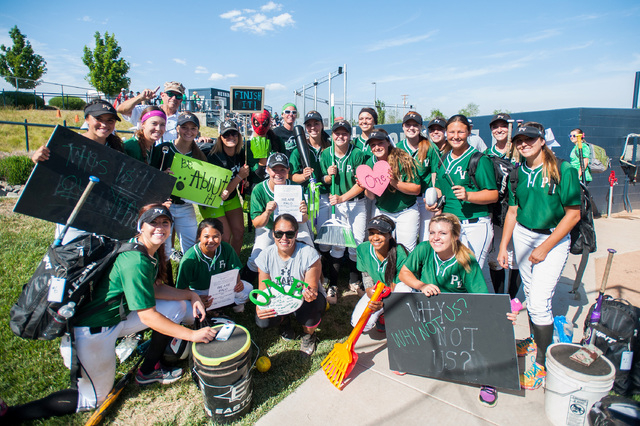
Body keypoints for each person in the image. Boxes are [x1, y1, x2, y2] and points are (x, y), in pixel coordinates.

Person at [0, 205, 216, 423]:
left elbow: (152, 290)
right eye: (154, 223)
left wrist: (190, 296)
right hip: (93, 332)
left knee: (176, 308)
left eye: (165, 223)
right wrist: (192, 336)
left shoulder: (144, 250)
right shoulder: (136, 260)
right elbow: (148, 317)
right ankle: (11, 414)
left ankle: (148, 371)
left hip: (116, 320)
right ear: (140, 226)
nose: (160, 228)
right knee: (93, 399)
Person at [498, 123, 581, 390]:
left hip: (552, 238)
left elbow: (573, 214)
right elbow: (512, 211)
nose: (524, 144)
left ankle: (542, 365)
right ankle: (534, 340)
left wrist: (545, 247)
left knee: (538, 303)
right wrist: (503, 246)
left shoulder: (562, 168)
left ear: (542, 140)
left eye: (530, 139)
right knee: (531, 292)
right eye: (520, 140)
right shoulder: (517, 171)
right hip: (523, 234)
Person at [398, 213, 503, 407]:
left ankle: (489, 378)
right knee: (401, 289)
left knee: (488, 325)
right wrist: (421, 285)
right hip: (431, 306)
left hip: (459, 312)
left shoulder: (466, 259)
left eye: (442, 233)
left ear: (455, 236)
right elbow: (404, 273)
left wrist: (500, 318)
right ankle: (408, 354)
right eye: (432, 232)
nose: (435, 237)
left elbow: (481, 299)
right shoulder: (424, 249)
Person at [31, 99, 125, 244]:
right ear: (87, 119)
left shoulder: (116, 150)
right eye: (98, 119)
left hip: (104, 215)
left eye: (110, 120)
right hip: (72, 215)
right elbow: (48, 179)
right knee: (71, 255)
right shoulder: (69, 145)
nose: (104, 124)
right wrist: (39, 160)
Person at [429, 115, 498, 280]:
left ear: (469, 133)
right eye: (451, 132)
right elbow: (440, 188)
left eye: (460, 132)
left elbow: (493, 195)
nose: (455, 136)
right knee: (453, 274)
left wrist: (469, 195)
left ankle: (478, 305)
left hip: (474, 224)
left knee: (470, 274)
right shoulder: (444, 158)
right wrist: (433, 201)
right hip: (450, 225)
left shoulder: (478, 159)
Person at [255, 214, 325, 356]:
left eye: (289, 233)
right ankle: (284, 321)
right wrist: (260, 305)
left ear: (296, 234)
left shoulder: (309, 254)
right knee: (263, 320)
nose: (284, 238)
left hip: (302, 297)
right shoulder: (265, 256)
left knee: (312, 304)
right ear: (273, 234)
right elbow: (263, 289)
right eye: (279, 233)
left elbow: (311, 286)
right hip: (280, 298)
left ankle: (309, 335)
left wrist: (309, 293)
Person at [244, 153, 313, 283]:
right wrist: (267, 212)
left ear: (288, 170)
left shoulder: (295, 188)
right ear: (267, 170)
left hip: (294, 225)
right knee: (256, 257)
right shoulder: (259, 189)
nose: (278, 173)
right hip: (268, 225)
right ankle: (244, 283)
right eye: (274, 169)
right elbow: (257, 223)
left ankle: (311, 283)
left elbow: (303, 219)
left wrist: (304, 214)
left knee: (309, 250)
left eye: (282, 169)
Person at [319, 119, 369, 301]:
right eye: (337, 133)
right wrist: (328, 176)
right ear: (332, 135)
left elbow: (362, 184)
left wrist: (342, 197)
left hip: (356, 203)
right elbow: (322, 180)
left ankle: (354, 282)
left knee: (356, 243)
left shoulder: (358, 154)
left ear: (350, 135)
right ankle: (333, 284)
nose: (340, 136)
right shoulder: (326, 154)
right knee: (338, 244)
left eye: (344, 133)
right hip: (336, 203)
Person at [150, 113, 207, 258]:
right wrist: (162, 175)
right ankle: (164, 277)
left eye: (193, 128)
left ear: (197, 130)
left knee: (191, 248)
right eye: (184, 127)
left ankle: (188, 278)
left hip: (185, 205)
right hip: (163, 204)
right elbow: (149, 175)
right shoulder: (164, 149)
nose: (188, 131)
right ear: (177, 128)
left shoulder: (198, 155)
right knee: (164, 249)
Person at [176, 218, 252, 319]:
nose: (211, 241)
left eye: (216, 236)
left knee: (248, 290)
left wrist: (238, 282)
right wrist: (195, 297)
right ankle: (213, 308)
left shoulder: (226, 248)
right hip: (198, 291)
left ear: (221, 236)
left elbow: (234, 270)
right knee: (189, 313)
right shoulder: (189, 258)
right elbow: (181, 288)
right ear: (199, 236)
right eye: (206, 236)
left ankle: (218, 307)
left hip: (220, 287)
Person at [360, 129, 421, 252]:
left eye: (380, 143)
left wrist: (394, 182)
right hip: (383, 211)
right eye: (373, 145)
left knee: (406, 250)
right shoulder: (370, 162)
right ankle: (386, 272)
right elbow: (371, 196)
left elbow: (416, 189)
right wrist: (366, 186)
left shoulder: (402, 159)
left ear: (388, 142)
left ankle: (405, 272)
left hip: (406, 211)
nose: (377, 147)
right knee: (382, 249)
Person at [484, 113, 522, 298]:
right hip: (496, 212)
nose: (500, 130)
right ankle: (500, 297)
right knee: (495, 258)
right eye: (495, 127)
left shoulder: (521, 151)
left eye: (504, 126)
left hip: (518, 211)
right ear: (491, 130)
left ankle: (513, 297)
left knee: (516, 257)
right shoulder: (486, 155)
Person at [199, 120, 250, 255]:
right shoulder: (212, 155)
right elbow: (223, 193)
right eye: (226, 134)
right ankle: (217, 265)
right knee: (224, 237)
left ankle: (233, 264)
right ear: (220, 137)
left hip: (231, 197)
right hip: (213, 200)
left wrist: (244, 181)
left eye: (234, 133)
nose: (230, 137)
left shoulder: (241, 153)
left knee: (239, 232)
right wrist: (239, 177)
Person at [351, 215, 408, 333]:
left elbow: (400, 284)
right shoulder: (363, 248)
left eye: (381, 233)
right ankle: (381, 315)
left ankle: (390, 314)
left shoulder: (400, 253)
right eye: (371, 233)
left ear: (390, 235)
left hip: (396, 291)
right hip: (378, 291)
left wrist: (384, 304)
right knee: (359, 324)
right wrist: (368, 290)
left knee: (405, 288)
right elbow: (365, 274)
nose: (375, 237)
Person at [396, 111, 439, 242]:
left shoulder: (430, 147)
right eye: (408, 125)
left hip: (424, 198)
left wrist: (435, 197)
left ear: (421, 127)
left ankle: (423, 262)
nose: (411, 128)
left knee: (426, 236)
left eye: (415, 125)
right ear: (403, 127)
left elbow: (435, 175)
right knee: (407, 237)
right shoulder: (398, 148)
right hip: (404, 198)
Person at [290, 110, 330, 249]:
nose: (313, 127)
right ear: (305, 128)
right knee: (307, 237)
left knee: (324, 237)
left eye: (316, 123)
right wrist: (304, 176)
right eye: (309, 125)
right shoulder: (298, 150)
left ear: (322, 125)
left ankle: (325, 263)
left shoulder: (330, 147)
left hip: (325, 196)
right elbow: (292, 177)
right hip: (306, 197)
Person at [117, 81, 185, 142]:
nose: (174, 98)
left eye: (178, 96)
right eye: (170, 94)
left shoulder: (182, 120)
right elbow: (122, 110)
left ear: (181, 100)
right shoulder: (147, 111)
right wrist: (140, 97)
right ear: (162, 95)